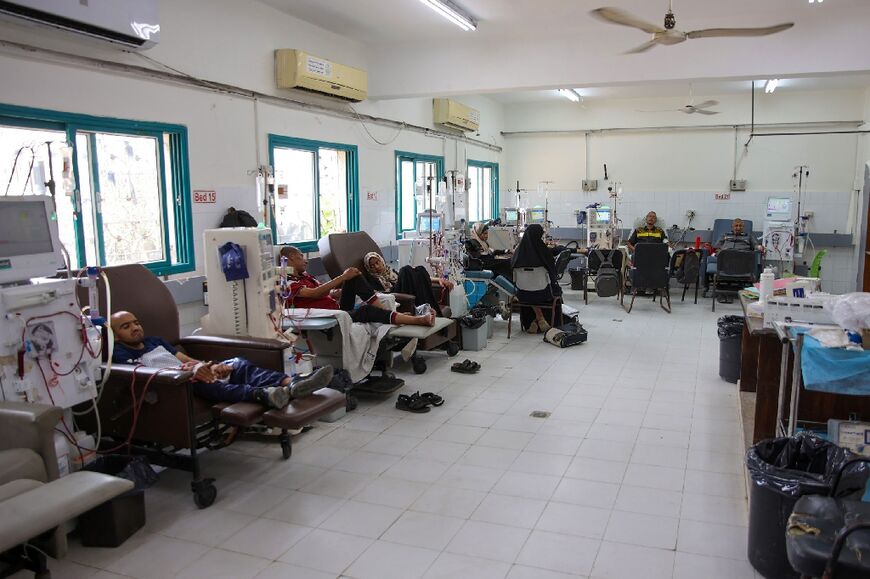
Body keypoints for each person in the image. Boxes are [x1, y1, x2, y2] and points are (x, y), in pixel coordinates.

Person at [110, 311, 333, 409]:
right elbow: (144, 374)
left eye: (136, 323)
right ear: (115, 335)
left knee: (239, 363)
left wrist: (210, 366)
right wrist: (191, 373)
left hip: (194, 372)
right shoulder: (120, 353)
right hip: (177, 384)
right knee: (210, 386)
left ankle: (292, 383)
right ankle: (263, 395)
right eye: (126, 326)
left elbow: (184, 357)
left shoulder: (155, 341)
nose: (135, 328)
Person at [280, 246, 435, 327]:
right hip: (328, 316)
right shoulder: (288, 282)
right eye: (301, 257)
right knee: (366, 311)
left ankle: (393, 314)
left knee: (354, 276)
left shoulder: (306, 277)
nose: (305, 261)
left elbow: (326, 293)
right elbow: (314, 294)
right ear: (291, 258)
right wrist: (342, 277)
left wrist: (341, 290)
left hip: (337, 308)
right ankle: (418, 320)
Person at [511, 223, 563, 333]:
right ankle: (542, 320)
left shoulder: (518, 252)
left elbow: (512, 272)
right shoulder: (543, 251)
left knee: (530, 294)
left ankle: (534, 321)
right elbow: (553, 273)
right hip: (545, 293)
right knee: (553, 291)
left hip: (522, 293)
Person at [363, 252, 451, 316]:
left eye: (377, 262)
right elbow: (378, 294)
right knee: (405, 270)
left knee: (420, 269)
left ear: (381, 260)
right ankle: (425, 308)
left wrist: (438, 279)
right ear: (369, 268)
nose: (376, 267)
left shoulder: (390, 272)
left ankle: (428, 307)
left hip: (403, 289)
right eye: (372, 266)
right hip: (394, 296)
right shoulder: (372, 279)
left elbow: (406, 278)